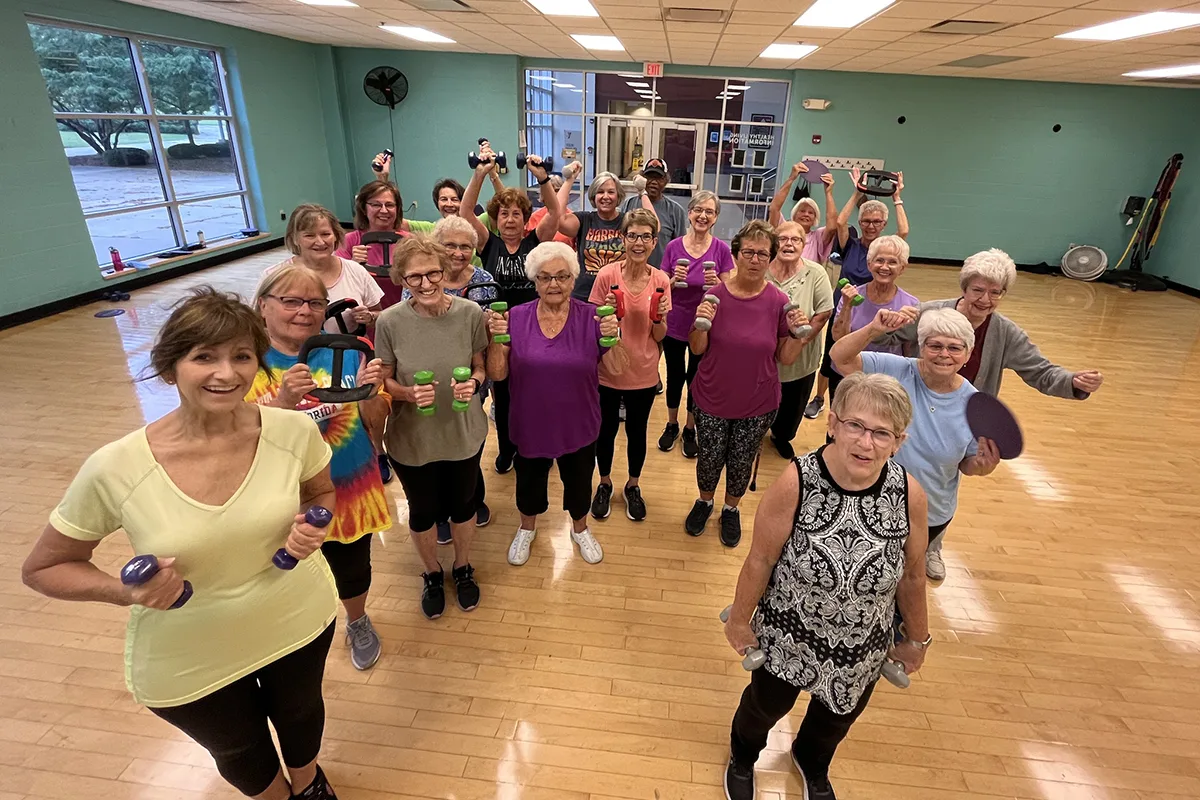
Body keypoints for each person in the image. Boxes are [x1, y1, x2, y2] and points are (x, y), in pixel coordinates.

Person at [22, 288, 342, 800]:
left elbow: (321, 489)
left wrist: (312, 525)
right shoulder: (116, 466)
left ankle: (309, 784)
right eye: (204, 357)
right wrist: (126, 592)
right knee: (240, 751)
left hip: (295, 618)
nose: (227, 373)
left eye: (241, 356)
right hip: (191, 651)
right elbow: (44, 568)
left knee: (302, 716)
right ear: (170, 369)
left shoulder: (290, 431)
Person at [720, 372, 932, 800]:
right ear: (833, 424)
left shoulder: (908, 493)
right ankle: (743, 756)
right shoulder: (797, 482)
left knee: (837, 716)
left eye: (881, 433)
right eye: (855, 426)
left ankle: (811, 761)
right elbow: (760, 558)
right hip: (789, 631)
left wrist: (918, 639)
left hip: (862, 643)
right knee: (766, 706)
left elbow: (911, 573)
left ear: (899, 441)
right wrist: (740, 621)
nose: (865, 443)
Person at [249, 266, 391, 672]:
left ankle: (357, 620)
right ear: (263, 306)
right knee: (285, 571)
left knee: (353, 566)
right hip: (282, 500)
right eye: (290, 301)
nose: (304, 311)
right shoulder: (245, 362)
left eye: (314, 303)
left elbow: (374, 424)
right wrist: (282, 403)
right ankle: (293, 632)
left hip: (350, 486)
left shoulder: (344, 351)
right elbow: (234, 436)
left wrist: (370, 393)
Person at [831, 306, 1002, 581]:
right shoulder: (894, 369)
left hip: (929, 513)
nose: (944, 354)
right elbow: (840, 357)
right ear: (921, 346)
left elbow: (968, 465)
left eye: (955, 348)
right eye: (935, 345)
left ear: (968, 354)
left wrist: (982, 466)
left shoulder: (975, 404)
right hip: (871, 502)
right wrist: (874, 329)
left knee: (906, 579)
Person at [485, 241, 628, 567]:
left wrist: (614, 335)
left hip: (579, 420)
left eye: (562, 277)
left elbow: (618, 369)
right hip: (530, 420)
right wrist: (496, 339)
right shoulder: (515, 318)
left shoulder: (593, 317)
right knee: (529, 482)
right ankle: (526, 528)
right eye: (545, 277)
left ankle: (580, 529)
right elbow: (497, 372)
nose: (554, 284)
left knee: (579, 482)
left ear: (573, 279)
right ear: (534, 280)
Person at [374, 236, 489, 619]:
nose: (425, 284)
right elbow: (383, 381)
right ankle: (431, 572)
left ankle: (462, 565)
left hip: (462, 432)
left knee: (462, 506)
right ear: (402, 280)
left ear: (445, 270)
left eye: (433, 273)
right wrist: (406, 393)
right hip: (412, 440)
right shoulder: (389, 321)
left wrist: (473, 383)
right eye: (414, 278)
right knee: (422, 512)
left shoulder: (470, 313)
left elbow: (480, 367)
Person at [685, 220, 808, 547]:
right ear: (736, 255)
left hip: (757, 401)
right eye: (749, 253)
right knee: (709, 458)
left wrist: (800, 335)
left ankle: (730, 509)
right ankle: (705, 501)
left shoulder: (779, 301)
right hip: (712, 396)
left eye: (763, 254)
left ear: (771, 260)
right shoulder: (715, 295)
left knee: (741, 461)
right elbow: (697, 348)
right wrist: (702, 324)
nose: (755, 260)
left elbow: (786, 357)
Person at [874, 248, 1105, 400]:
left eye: (995, 293)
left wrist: (1073, 381)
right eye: (978, 290)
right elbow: (879, 339)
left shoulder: (1006, 333)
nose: (985, 300)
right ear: (964, 288)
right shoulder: (929, 313)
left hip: (965, 415)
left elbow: (1041, 372)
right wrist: (887, 322)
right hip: (915, 405)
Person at [460, 145, 561, 474]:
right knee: (502, 397)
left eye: (517, 213)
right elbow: (464, 215)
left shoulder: (536, 241)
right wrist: (479, 174)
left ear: (524, 217)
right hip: (498, 332)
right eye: (504, 214)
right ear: (496, 218)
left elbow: (555, 213)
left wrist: (543, 179)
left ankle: (533, 443)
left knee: (532, 392)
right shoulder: (488, 242)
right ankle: (506, 449)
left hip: (534, 329)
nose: (510, 218)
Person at [409, 215, 496, 541]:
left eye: (465, 246)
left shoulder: (484, 279)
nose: (458, 253)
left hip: (474, 378)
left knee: (470, 439)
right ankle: (443, 509)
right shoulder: (424, 279)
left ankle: (472, 497)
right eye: (450, 245)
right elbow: (411, 323)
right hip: (430, 378)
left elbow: (487, 340)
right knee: (438, 441)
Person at [587, 209, 672, 522]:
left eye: (645, 236)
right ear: (623, 238)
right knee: (605, 431)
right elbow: (595, 328)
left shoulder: (661, 280)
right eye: (632, 235)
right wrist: (607, 316)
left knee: (637, 433)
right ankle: (605, 483)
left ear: (653, 242)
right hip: (608, 370)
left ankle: (633, 486)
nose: (638, 242)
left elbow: (660, 335)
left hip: (644, 371)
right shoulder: (607, 275)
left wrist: (660, 316)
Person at [805, 169, 909, 421]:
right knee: (832, 356)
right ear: (860, 223)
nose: (871, 226)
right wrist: (856, 192)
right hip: (844, 309)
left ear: (884, 225)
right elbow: (840, 222)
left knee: (862, 358)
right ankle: (820, 398)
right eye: (866, 221)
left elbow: (903, 232)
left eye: (877, 222)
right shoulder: (850, 242)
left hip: (872, 311)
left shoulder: (884, 250)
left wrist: (897, 198)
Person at [658, 190, 735, 458]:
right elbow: (660, 287)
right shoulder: (673, 247)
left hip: (705, 324)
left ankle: (690, 428)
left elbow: (730, 289)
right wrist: (670, 280)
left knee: (697, 377)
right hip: (676, 322)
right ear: (689, 213)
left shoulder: (721, 249)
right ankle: (671, 424)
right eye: (698, 210)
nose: (703, 215)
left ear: (715, 218)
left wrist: (717, 284)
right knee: (674, 375)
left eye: (709, 212)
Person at [826, 234, 919, 431]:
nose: (884, 267)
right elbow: (838, 338)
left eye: (892, 262)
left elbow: (910, 352)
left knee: (879, 431)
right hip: (847, 374)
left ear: (902, 268)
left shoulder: (910, 305)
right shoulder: (852, 295)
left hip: (886, 381)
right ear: (869, 264)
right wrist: (847, 307)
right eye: (879, 260)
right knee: (841, 429)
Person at [767, 221, 834, 460]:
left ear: (804, 244)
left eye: (795, 240)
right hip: (763, 358)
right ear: (775, 244)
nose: (789, 244)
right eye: (783, 239)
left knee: (792, 406)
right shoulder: (762, 269)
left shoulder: (815, 272)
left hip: (802, 358)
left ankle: (781, 436)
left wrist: (797, 345)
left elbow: (824, 312)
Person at [266, 204, 384, 335]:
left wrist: (369, 317)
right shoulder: (274, 277)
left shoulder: (356, 271)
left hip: (351, 352)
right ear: (295, 238)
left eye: (326, 234)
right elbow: (260, 324)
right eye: (309, 236)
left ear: (336, 235)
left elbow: (378, 313)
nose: (320, 242)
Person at [556, 170, 656, 301]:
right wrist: (570, 180)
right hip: (584, 296)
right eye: (600, 192)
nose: (605, 196)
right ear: (593, 196)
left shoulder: (627, 221)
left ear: (618, 195)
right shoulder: (584, 219)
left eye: (611, 192)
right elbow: (556, 219)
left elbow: (654, 226)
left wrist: (642, 192)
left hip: (620, 296)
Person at [336, 180, 410, 308]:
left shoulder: (410, 242)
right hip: (364, 318)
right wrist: (353, 265)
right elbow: (338, 284)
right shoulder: (349, 241)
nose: (384, 210)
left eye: (390, 205)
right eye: (376, 205)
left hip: (404, 315)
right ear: (364, 208)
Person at [618, 158, 687, 267]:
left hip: (661, 274)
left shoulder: (675, 210)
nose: (654, 182)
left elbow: (680, 248)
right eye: (649, 177)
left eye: (658, 178)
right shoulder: (629, 204)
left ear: (666, 181)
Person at [768, 160, 839, 265]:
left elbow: (832, 225)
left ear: (815, 219)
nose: (806, 214)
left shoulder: (818, 237)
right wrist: (791, 178)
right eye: (802, 211)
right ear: (794, 214)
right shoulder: (782, 229)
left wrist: (828, 193)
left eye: (811, 213)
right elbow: (774, 208)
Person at [526, 173, 575, 246]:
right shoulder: (534, 218)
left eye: (557, 190)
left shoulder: (572, 218)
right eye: (550, 192)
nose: (553, 195)